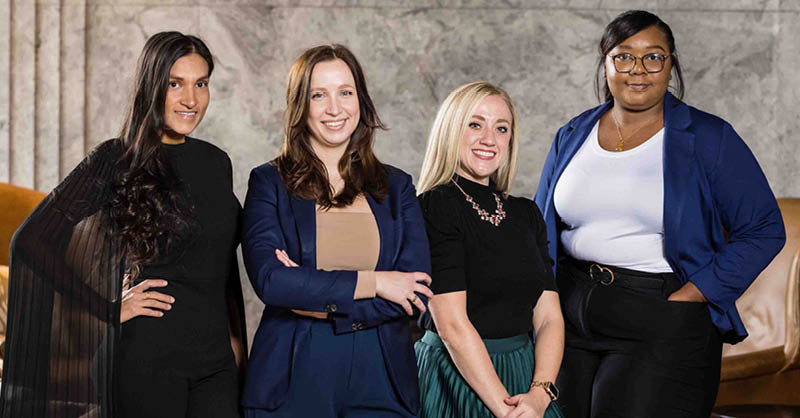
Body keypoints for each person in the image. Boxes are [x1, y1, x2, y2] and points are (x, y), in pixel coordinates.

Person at [534, 10, 786, 418]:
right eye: (624, 57)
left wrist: (689, 296)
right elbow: (540, 228)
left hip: (658, 314)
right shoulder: (572, 133)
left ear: (671, 65)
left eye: (654, 57)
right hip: (569, 315)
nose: (638, 70)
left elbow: (764, 229)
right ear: (606, 63)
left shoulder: (707, 137)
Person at [0, 31, 247, 418]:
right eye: (174, 84)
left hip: (214, 363)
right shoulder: (115, 158)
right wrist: (108, 308)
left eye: (201, 83)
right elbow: (30, 242)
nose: (191, 99)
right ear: (152, 87)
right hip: (145, 358)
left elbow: (221, 266)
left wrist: (238, 348)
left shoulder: (217, 162)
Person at [240, 44, 433, 418]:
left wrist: (310, 291)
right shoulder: (269, 183)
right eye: (318, 95)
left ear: (360, 98)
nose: (334, 108)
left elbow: (414, 291)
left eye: (345, 92)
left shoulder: (397, 188)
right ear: (300, 105)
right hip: (295, 369)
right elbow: (272, 282)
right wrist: (377, 282)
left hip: (382, 371)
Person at [415, 81, 565, 418]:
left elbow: (549, 318)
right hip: (458, 372)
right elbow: (452, 326)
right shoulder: (435, 206)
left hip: (526, 376)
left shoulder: (527, 214)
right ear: (452, 130)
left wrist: (540, 395)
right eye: (475, 124)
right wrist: (507, 410)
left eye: (501, 128)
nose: (489, 139)